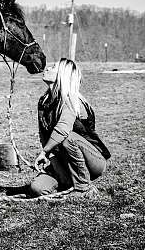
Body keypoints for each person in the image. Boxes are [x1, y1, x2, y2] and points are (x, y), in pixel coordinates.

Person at [29, 58, 111, 198]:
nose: (47, 68)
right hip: (64, 160)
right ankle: (68, 183)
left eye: (53, 67)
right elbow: (44, 136)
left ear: (62, 75)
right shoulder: (44, 102)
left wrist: (44, 152)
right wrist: (55, 164)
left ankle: (83, 188)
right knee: (37, 189)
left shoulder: (71, 100)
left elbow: (62, 130)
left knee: (68, 137)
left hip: (93, 161)